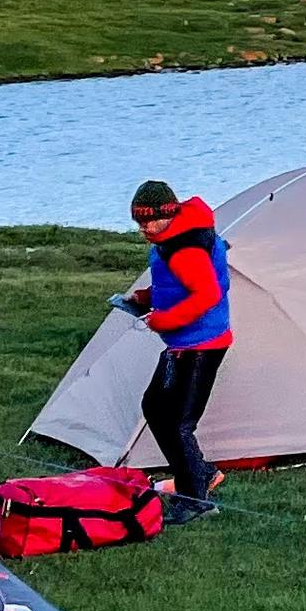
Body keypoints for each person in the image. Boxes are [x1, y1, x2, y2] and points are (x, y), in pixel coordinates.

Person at [119, 178, 232, 507]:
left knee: (178, 422)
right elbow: (177, 287)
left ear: (168, 213)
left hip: (201, 345)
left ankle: (194, 500)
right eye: (139, 222)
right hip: (183, 343)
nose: (144, 228)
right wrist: (147, 297)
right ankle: (200, 474)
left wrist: (163, 320)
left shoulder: (186, 248)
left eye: (149, 220)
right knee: (155, 408)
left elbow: (207, 294)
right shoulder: (168, 240)